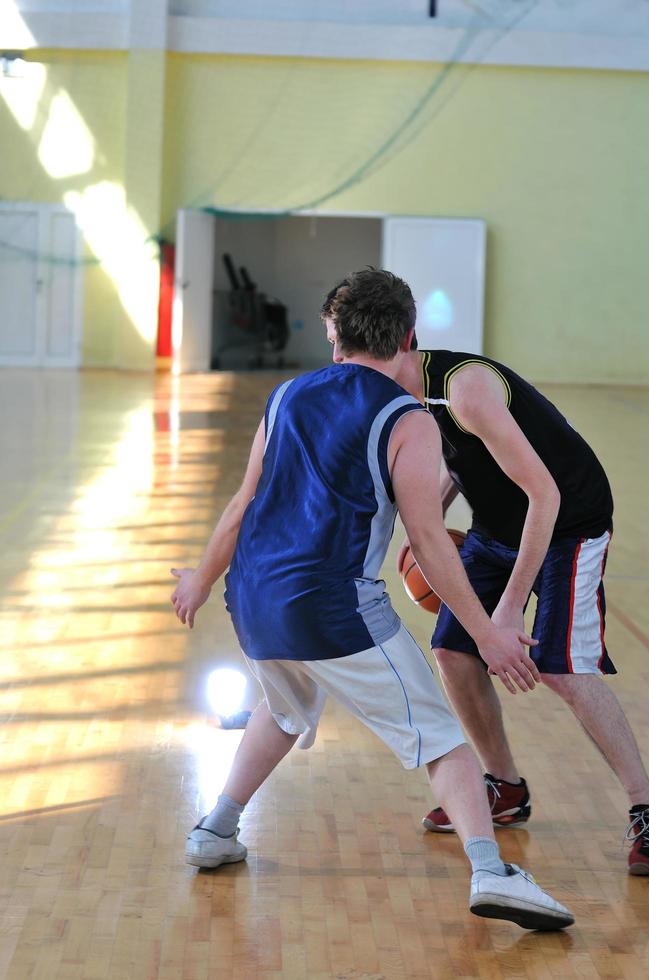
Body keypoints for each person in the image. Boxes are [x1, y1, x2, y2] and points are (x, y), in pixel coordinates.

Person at [170, 269, 573, 929]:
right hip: (333, 609)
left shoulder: (286, 397)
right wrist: (484, 631)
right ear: (408, 336)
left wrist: (200, 579)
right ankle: (491, 871)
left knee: (284, 707)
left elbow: (242, 505)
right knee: (443, 741)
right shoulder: (406, 418)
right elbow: (428, 542)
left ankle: (215, 829)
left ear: (334, 338)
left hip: (252, 600)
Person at [391, 345, 649, 875]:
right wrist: (433, 519)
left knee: (563, 669)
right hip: (497, 525)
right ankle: (505, 786)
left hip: (568, 525)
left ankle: (646, 806)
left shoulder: (466, 388)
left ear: (402, 342)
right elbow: (461, 454)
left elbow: (546, 498)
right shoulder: (408, 392)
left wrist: (508, 611)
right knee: (452, 652)